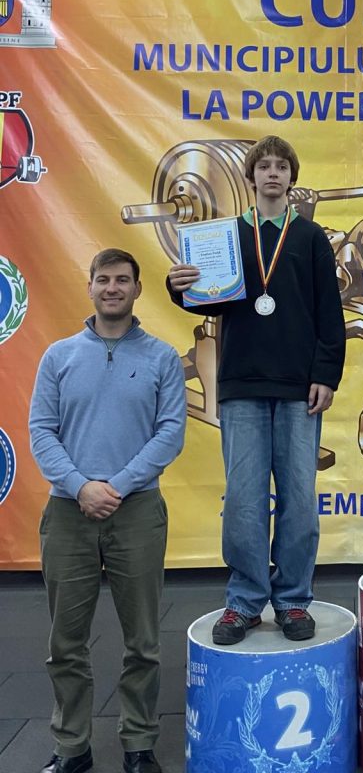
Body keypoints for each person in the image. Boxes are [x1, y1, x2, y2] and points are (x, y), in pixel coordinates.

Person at [167, 135, 345, 645]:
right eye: (263, 166)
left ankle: (292, 599)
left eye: (280, 166)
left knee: (298, 499)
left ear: (292, 177)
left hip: (298, 387)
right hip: (241, 382)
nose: (272, 173)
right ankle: (244, 601)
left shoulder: (310, 237)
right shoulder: (225, 236)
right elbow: (208, 301)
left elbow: (329, 314)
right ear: (249, 177)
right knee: (244, 499)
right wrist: (178, 288)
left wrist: (326, 375)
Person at [29, 249, 186, 773]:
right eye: (103, 279)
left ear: (138, 289)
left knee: (143, 642)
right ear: (91, 287)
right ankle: (71, 748)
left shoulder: (163, 357)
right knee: (65, 644)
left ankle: (139, 744)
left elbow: (170, 434)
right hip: (67, 513)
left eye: (122, 280)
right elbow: (41, 431)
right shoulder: (59, 356)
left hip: (137, 511)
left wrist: (114, 486)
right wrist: (80, 487)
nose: (112, 287)